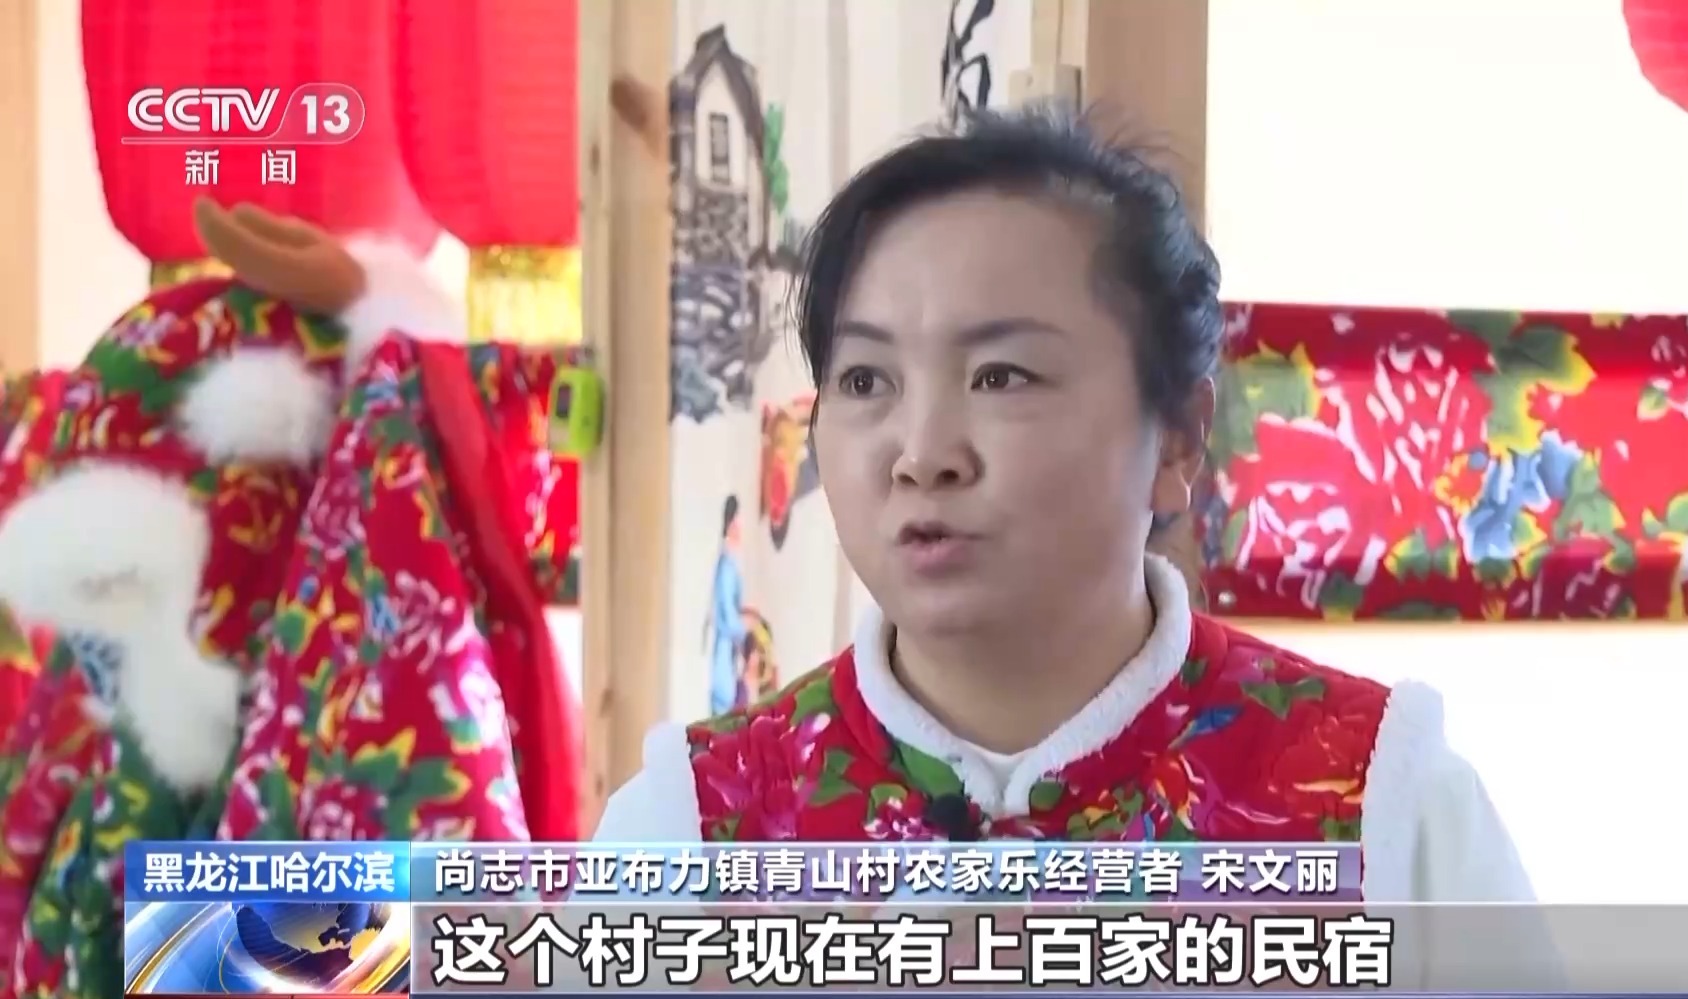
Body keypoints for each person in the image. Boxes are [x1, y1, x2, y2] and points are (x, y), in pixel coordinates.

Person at [595, 106, 1540, 905]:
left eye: (1001, 375)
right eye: (866, 379)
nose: (922, 455)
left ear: (1177, 437)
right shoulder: (690, 827)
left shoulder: (1382, 805)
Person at [705, 495, 748, 715]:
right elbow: (727, 612)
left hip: (727, 651)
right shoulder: (727, 567)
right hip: (724, 649)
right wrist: (744, 632)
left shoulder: (729, 563)